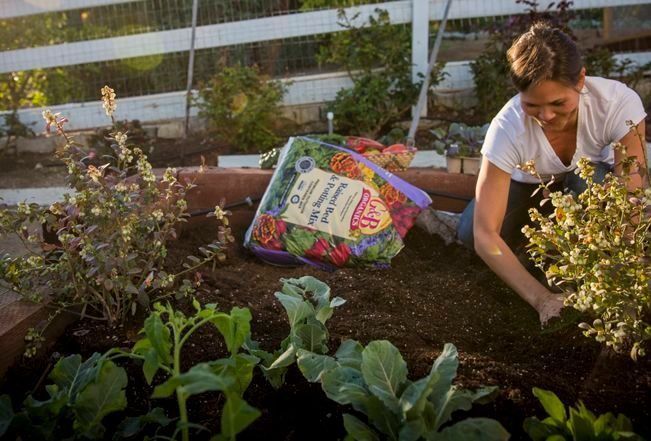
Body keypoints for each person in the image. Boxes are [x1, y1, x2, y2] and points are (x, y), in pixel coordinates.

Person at [457, 22, 648, 324]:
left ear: (581, 80)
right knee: (469, 232)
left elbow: (631, 199)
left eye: (559, 103)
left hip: (587, 181)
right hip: (529, 189)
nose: (546, 116)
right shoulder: (507, 128)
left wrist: (627, 279)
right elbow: (485, 234)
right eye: (532, 105)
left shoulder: (617, 104)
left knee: (593, 182)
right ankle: (531, 257)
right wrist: (542, 299)